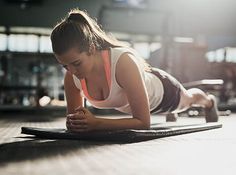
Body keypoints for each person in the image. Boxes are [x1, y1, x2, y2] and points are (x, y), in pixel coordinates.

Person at [50, 9, 218, 132]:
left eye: (77, 63)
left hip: (165, 93)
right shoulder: (71, 77)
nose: (71, 71)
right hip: (140, 98)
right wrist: (78, 123)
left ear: (92, 49)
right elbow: (74, 125)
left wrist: (96, 123)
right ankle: (175, 113)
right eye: (65, 65)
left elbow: (143, 122)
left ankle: (209, 102)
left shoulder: (123, 62)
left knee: (188, 99)